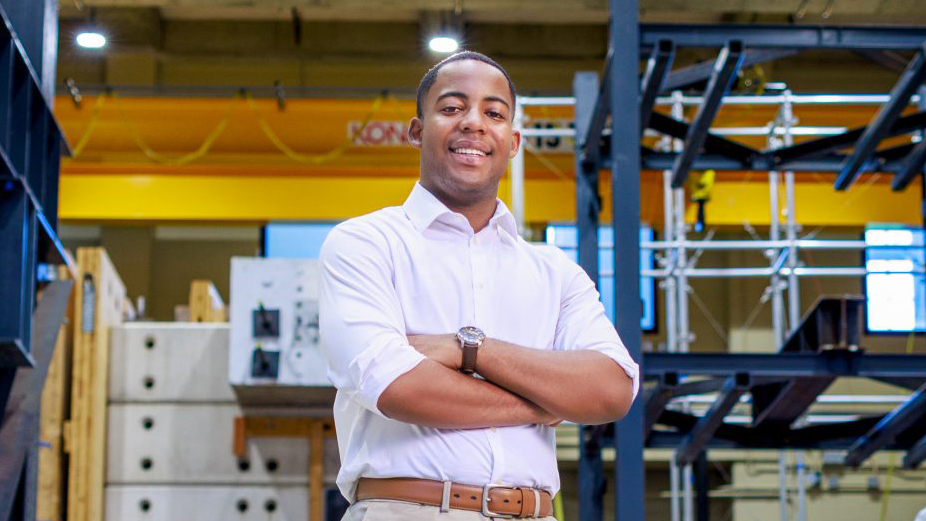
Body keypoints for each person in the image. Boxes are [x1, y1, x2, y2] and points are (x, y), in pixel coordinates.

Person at [319, 50, 639, 520]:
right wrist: (542, 401)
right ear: (416, 131)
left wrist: (471, 349)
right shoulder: (366, 244)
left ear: (511, 142)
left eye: (494, 113)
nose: (473, 122)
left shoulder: (554, 271)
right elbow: (398, 387)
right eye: (451, 108)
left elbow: (612, 390)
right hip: (409, 509)